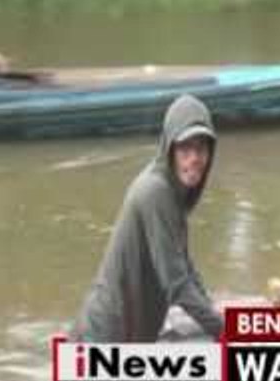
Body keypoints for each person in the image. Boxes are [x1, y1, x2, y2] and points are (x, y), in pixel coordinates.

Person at [72, 94, 224, 341]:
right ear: (170, 148)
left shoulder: (173, 194)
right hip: (107, 340)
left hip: (129, 335)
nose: (194, 158)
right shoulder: (156, 192)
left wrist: (213, 312)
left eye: (201, 148)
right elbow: (177, 285)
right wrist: (225, 330)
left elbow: (184, 267)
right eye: (185, 148)